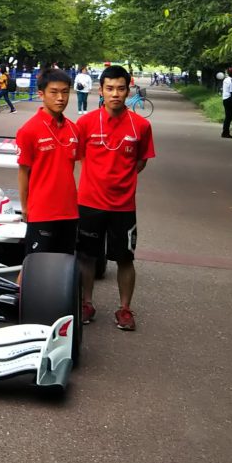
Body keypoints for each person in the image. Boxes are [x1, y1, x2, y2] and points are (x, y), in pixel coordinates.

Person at [76, 65, 156, 331]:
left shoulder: (141, 125)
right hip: (89, 202)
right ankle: (86, 304)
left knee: (125, 259)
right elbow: (77, 155)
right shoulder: (85, 123)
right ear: (101, 90)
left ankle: (124, 309)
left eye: (121, 88)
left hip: (123, 206)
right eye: (109, 88)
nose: (115, 94)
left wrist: (122, 179)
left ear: (128, 90)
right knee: (86, 256)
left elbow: (141, 160)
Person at [15, 68, 80, 255]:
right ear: (41, 94)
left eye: (65, 92)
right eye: (54, 92)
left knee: (63, 264)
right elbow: (23, 172)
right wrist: (25, 207)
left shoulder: (74, 129)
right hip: (41, 212)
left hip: (69, 212)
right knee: (37, 265)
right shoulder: (29, 130)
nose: (60, 98)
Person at [221, 66, 232, 138]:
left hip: (225, 99)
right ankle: (225, 133)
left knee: (227, 117)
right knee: (229, 117)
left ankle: (225, 132)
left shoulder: (226, 79)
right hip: (229, 99)